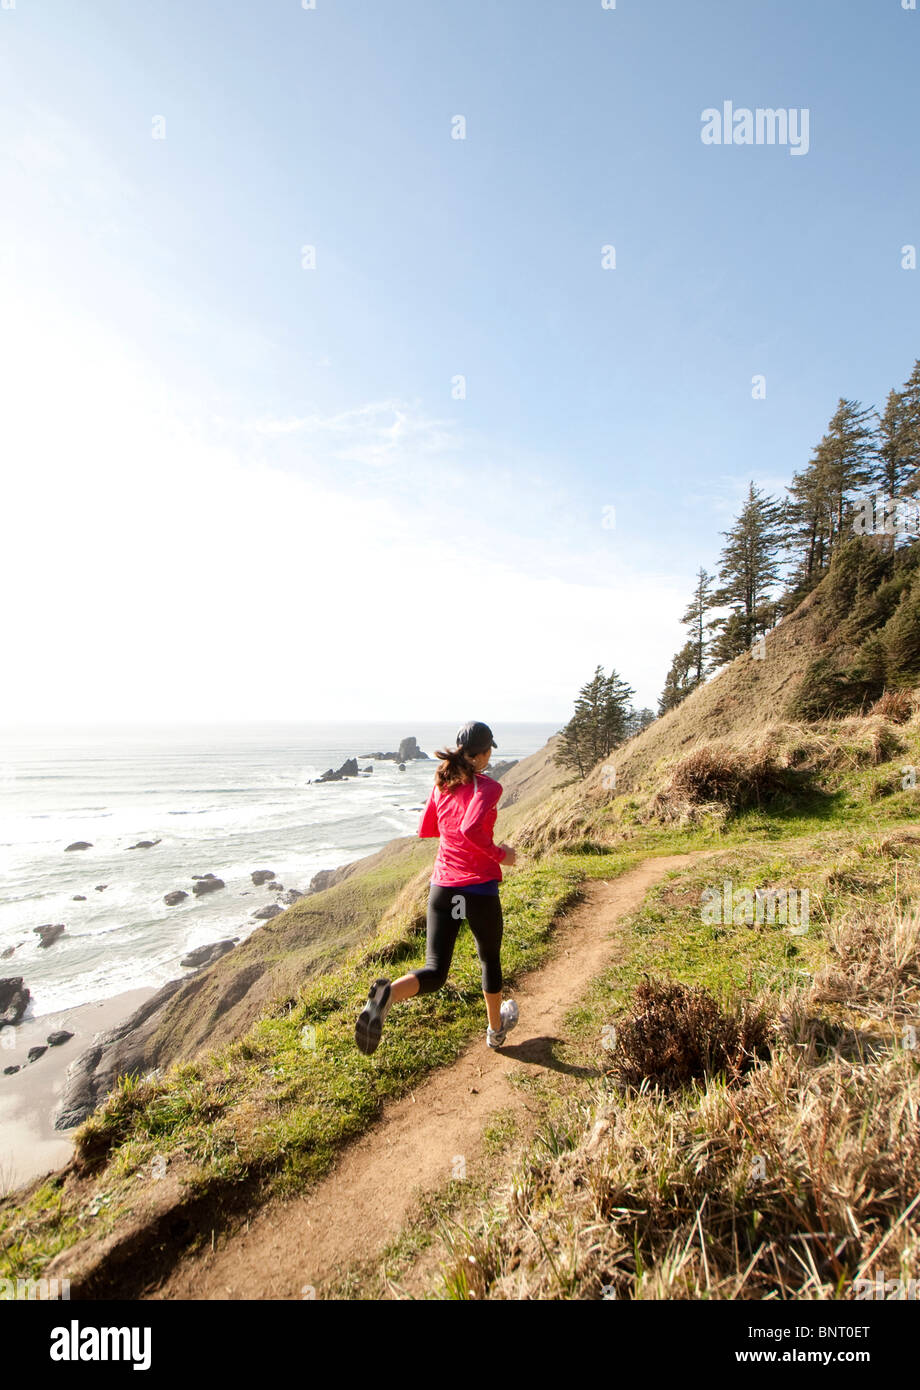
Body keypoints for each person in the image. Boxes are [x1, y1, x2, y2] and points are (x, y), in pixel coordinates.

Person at [355, 720, 519, 1056]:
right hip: (478, 888)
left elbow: (427, 828)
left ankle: (387, 995)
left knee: (435, 969)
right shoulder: (487, 788)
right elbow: (471, 830)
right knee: (489, 959)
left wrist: (454, 833)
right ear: (485, 753)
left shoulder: (441, 785)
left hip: (444, 888)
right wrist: (502, 854)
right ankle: (495, 1030)